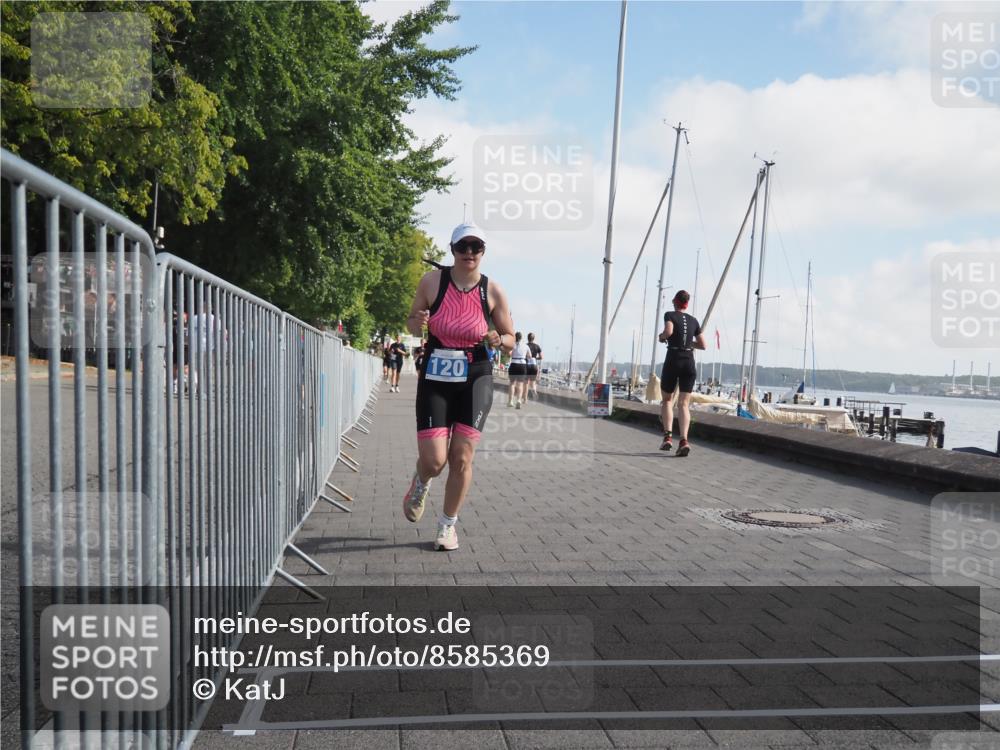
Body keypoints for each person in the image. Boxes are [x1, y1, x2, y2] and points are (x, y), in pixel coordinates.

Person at [401, 223, 515, 551]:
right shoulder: (432, 282)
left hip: (475, 375)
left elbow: (510, 338)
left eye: (476, 247)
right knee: (435, 461)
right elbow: (411, 322)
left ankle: (447, 526)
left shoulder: (493, 291)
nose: (469, 252)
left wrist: (499, 339)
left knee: (461, 457)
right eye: (462, 246)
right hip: (436, 374)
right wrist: (418, 322)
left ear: (483, 251)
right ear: (452, 249)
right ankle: (421, 480)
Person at [658, 290, 706, 456]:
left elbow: (669, 332)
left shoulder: (669, 315)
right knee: (684, 404)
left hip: (674, 359)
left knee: (667, 400)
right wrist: (687, 342)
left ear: (675, 301)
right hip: (689, 362)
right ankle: (684, 440)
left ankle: (668, 437)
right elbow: (703, 345)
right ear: (687, 303)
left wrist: (662, 337)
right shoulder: (694, 320)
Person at [507, 332, 530, 409]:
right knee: (520, 384)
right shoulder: (526, 346)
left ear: (515, 337)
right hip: (522, 365)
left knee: (512, 384)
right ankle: (519, 400)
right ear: (521, 338)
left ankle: (510, 401)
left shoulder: (513, 345)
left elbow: (509, 354)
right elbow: (529, 356)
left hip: (514, 364)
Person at [526, 332, 542, 400]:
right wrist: (535, 358)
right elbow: (541, 357)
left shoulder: (525, 346)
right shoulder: (537, 346)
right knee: (533, 381)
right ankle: (534, 391)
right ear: (534, 338)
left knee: (526, 381)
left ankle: (525, 396)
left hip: (527, 365)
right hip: (534, 365)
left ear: (528, 338)